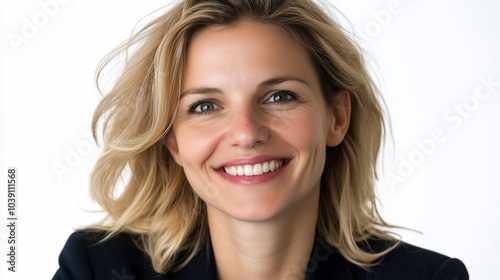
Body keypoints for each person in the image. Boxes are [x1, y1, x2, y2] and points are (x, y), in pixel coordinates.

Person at [53, 0, 468, 279]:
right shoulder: (98, 267)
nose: (247, 133)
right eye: (204, 106)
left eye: (279, 96)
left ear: (336, 118)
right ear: (173, 142)